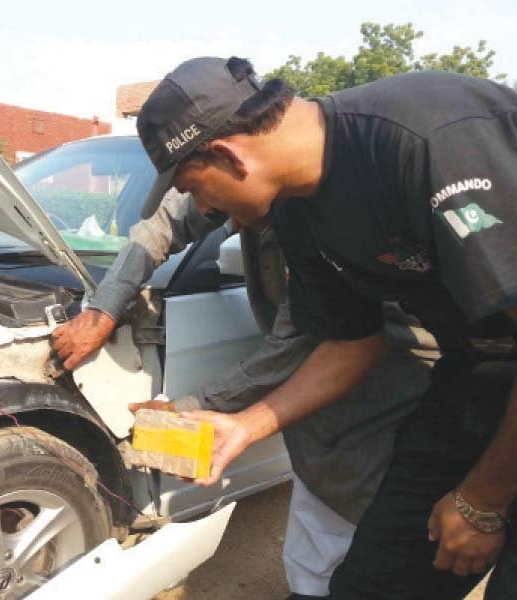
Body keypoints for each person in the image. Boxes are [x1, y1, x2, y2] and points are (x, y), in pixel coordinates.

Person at [95, 55, 517, 599]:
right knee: (371, 582)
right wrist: (244, 426)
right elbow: (351, 343)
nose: (205, 208)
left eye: (197, 190)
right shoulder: (297, 208)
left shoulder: (428, 137)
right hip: (479, 370)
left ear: (226, 154)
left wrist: (483, 500)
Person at [53, 189, 435, 598]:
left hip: (384, 403)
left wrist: (186, 410)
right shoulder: (225, 182)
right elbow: (164, 223)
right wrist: (103, 307)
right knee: (312, 541)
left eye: (237, 213)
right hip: (318, 425)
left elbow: (296, 344)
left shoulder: (323, 222)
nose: (229, 228)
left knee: (367, 540)